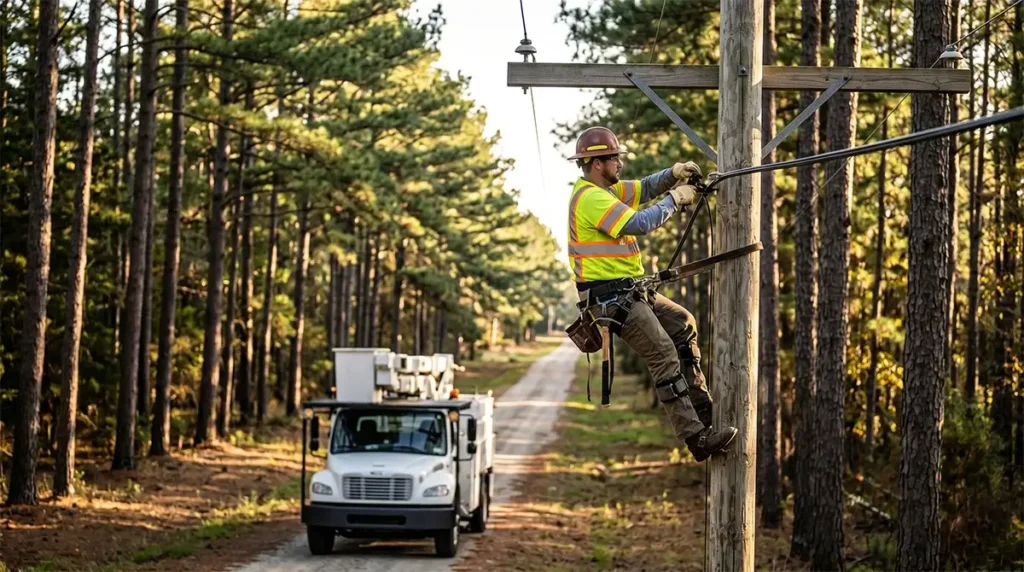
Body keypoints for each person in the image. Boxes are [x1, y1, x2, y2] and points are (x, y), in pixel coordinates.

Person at [567, 126, 737, 462]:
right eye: (614, 158)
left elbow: (644, 189)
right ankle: (696, 438)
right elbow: (641, 223)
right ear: (597, 163)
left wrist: (672, 174)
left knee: (683, 324)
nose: (620, 163)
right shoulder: (590, 198)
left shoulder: (607, 190)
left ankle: (704, 413)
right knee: (663, 353)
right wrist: (675, 199)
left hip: (627, 291)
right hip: (610, 299)